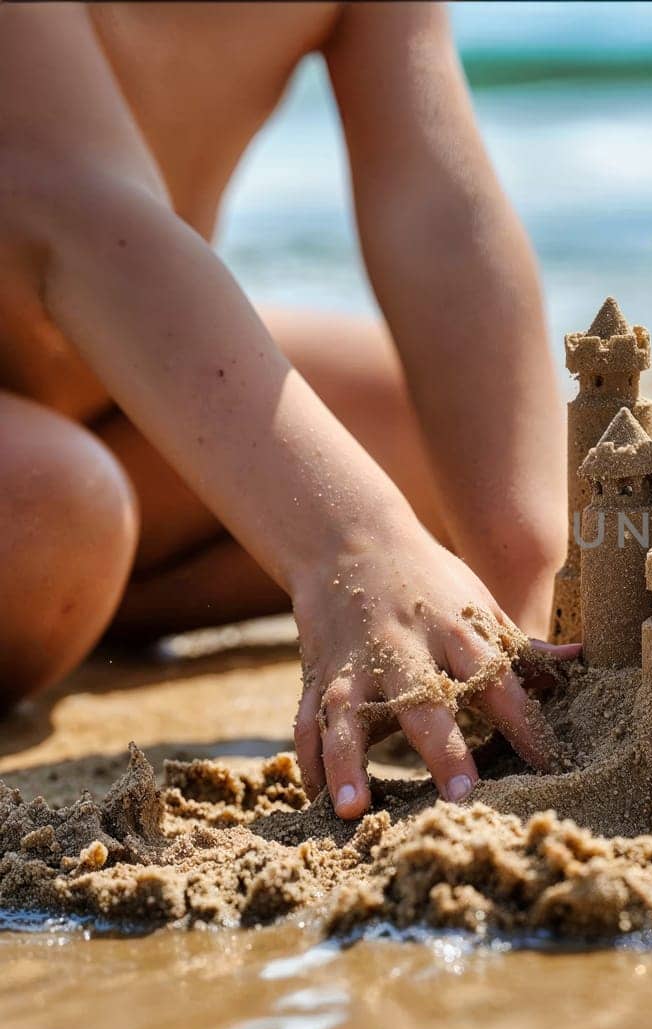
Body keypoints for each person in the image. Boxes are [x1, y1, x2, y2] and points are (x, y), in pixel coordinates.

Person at [0, 3, 578, 818]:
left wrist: (521, 593)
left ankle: (82, 591)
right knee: (55, 507)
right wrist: (352, 543)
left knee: (449, 451)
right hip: (59, 414)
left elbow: (438, 214)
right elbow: (73, 210)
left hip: (109, 385)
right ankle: (79, 574)